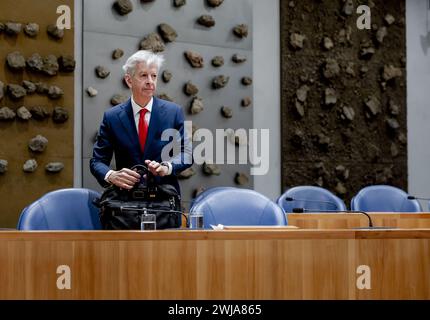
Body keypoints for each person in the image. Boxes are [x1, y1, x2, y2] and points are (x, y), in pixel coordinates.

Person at [90, 50, 192, 195]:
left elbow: (186, 153)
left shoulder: (174, 112)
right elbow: (97, 161)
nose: (150, 81)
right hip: (126, 201)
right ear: (129, 80)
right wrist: (111, 175)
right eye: (144, 75)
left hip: (164, 198)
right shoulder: (111, 117)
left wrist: (167, 167)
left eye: (154, 76)